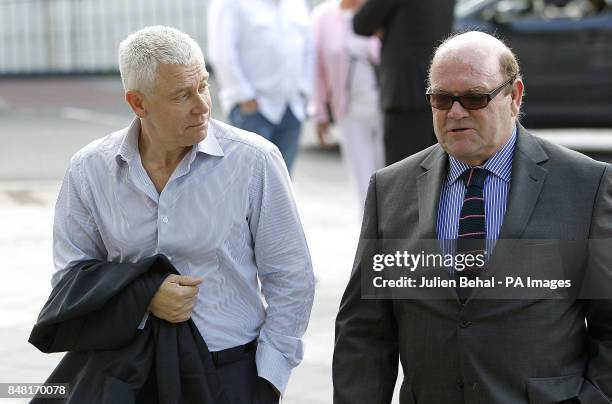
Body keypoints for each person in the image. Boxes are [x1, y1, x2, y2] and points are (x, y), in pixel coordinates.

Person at [333, 31, 612, 403]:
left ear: (514, 96)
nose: (456, 112)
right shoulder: (391, 190)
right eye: (442, 98)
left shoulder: (585, 186)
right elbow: (365, 333)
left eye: (475, 98)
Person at [52, 25, 315, 403]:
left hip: (229, 373)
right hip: (124, 372)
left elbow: (292, 278)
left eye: (204, 85)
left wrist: (269, 379)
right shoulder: (89, 169)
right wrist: (144, 297)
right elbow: (71, 275)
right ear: (138, 104)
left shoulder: (255, 161)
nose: (203, 105)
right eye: (181, 95)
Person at [207, 0, 314, 174]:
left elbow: (309, 47)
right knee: (251, 182)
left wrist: (304, 90)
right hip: (254, 109)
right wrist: (243, 96)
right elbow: (222, 51)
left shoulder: (297, 4)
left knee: (283, 183)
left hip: (292, 106)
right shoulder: (230, 3)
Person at [353, 0, 455, 166]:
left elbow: (361, 24)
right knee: (434, 174)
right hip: (441, 91)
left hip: (405, 92)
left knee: (403, 178)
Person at [312, 0, 384, 209]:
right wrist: (319, 113)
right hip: (349, 109)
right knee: (363, 179)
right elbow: (317, 70)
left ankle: (392, 236)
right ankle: (370, 236)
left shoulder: (380, 9)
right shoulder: (323, 16)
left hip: (385, 107)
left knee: (390, 173)